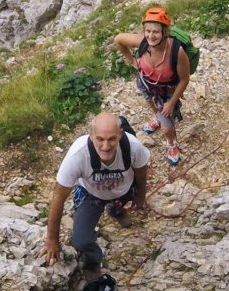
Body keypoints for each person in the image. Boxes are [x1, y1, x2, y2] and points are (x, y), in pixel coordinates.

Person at [43, 113, 149, 281]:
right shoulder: (78, 155)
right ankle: (93, 262)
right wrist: (52, 239)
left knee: (118, 203)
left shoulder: (133, 147)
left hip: (123, 191)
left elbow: (141, 171)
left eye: (111, 139)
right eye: (100, 139)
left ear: (120, 135)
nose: (105, 146)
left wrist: (141, 195)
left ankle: (116, 210)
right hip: (91, 194)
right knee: (80, 241)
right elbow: (58, 196)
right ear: (91, 136)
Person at [113, 6, 190, 166]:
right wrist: (132, 62)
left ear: (164, 32)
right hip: (146, 84)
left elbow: (184, 79)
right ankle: (156, 117)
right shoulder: (142, 42)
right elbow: (118, 40)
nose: (151, 35)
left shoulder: (177, 51)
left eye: (155, 31)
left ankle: (171, 143)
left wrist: (171, 103)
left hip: (167, 92)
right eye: (147, 31)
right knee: (152, 105)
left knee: (167, 127)